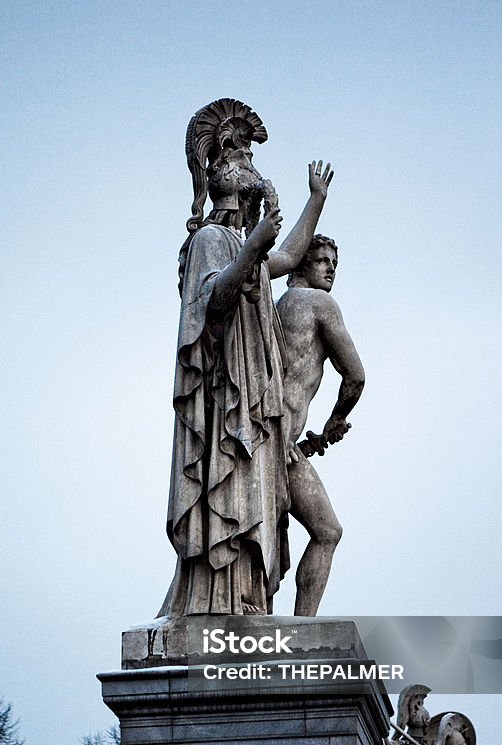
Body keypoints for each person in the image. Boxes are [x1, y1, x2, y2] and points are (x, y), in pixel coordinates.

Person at [160, 98, 334, 616]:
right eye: (237, 151)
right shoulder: (212, 240)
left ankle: (246, 599)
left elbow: (287, 256)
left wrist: (315, 203)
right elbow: (212, 303)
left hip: (253, 403)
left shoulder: (243, 245)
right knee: (229, 494)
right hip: (223, 403)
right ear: (218, 172)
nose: (249, 160)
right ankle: (214, 602)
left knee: (253, 498)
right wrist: (250, 247)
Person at [275, 235, 364, 615]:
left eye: (334, 264)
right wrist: (337, 418)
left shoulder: (277, 307)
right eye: (322, 260)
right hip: (279, 446)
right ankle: (302, 629)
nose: (330, 269)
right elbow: (355, 376)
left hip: (273, 439)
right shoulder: (319, 303)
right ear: (299, 264)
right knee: (328, 532)